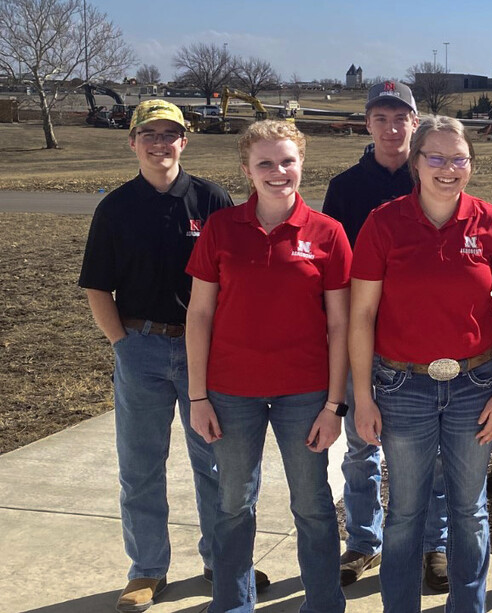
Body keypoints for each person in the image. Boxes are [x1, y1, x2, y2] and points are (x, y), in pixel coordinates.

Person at [79, 98, 268, 613]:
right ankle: (147, 569)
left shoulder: (210, 199)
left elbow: (236, 276)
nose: (160, 143)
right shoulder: (115, 207)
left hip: (204, 351)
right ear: (133, 142)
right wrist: (123, 343)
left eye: (170, 134)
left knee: (215, 462)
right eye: (150, 134)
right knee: (140, 466)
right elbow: (97, 286)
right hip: (140, 347)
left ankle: (221, 562)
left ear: (184, 141)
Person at [349, 114, 492, 613]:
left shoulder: (491, 223)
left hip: (475, 384)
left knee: (470, 510)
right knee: (404, 511)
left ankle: (468, 606)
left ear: (471, 164)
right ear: (416, 163)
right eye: (436, 158)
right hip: (404, 386)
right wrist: (364, 397)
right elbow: (361, 316)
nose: (448, 169)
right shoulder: (385, 223)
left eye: (458, 159)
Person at [186, 120, 349, 613]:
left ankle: (323, 603)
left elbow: (341, 326)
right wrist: (197, 397)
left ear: (301, 164)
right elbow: (199, 314)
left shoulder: (328, 233)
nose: (278, 172)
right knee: (234, 503)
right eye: (265, 163)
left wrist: (334, 406)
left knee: (313, 504)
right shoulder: (221, 228)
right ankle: (232, 604)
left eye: (287, 161)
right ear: (246, 170)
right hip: (232, 392)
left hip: (305, 393)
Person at [323, 80, 451, 591]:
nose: (392, 127)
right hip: (366, 333)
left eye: (401, 117)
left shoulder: (433, 178)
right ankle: (363, 541)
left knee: (432, 451)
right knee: (361, 445)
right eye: (381, 117)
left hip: (422, 336)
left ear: (415, 123)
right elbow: (332, 266)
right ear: (368, 123)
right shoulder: (346, 187)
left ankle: (433, 544)